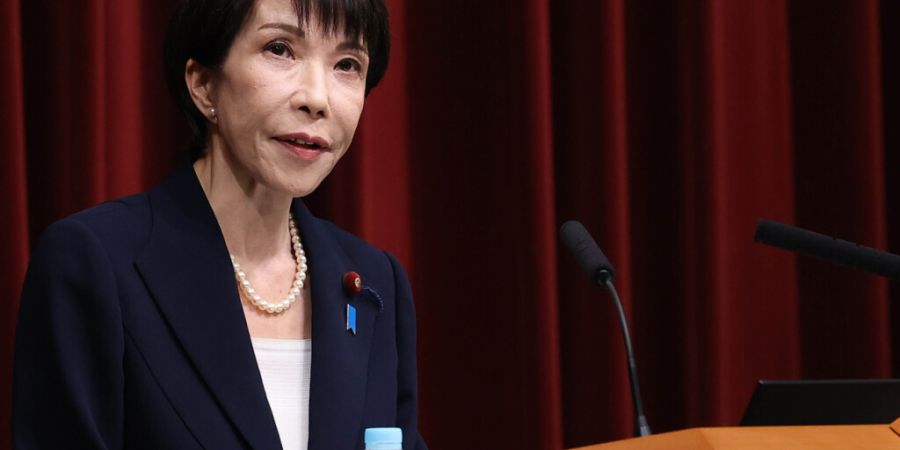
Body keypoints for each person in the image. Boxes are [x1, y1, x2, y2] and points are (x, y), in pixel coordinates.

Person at [13, 0, 427, 448]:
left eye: (347, 64)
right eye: (280, 49)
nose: (317, 98)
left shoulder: (373, 285)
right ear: (204, 84)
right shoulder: (95, 265)